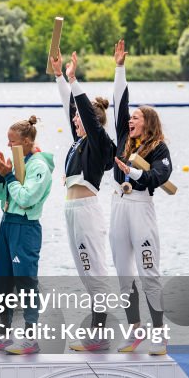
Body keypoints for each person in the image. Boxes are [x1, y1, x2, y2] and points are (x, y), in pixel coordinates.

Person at [50, 50, 117, 352]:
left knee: (96, 272)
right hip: (71, 211)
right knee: (85, 274)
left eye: (79, 116)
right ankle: (98, 331)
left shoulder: (100, 142)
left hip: (88, 212)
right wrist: (58, 77)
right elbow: (70, 108)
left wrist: (75, 80)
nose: (74, 118)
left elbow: (85, 114)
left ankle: (99, 335)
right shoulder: (78, 143)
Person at [110, 39, 173, 355]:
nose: (130, 120)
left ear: (148, 124)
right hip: (118, 207)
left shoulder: (159, 148)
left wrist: (132, 171)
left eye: (136, 118)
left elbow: (159, 177)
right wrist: (119, 68)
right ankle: (135, 330)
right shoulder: (124, 137)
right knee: (123, 275)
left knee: (149, 274)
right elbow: (119, 103)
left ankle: (159, 333)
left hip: (141, 207)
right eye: (130, 119)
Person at [0, 117, 54, 354]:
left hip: (26, 226)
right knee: (2, 278)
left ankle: (31, 337)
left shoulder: (39, 167)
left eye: (12, 141)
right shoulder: (17, 161)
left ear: (26, 141)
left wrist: (9, 177)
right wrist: (0, 175)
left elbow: (26, 199)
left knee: (26, 281)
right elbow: (0, 196)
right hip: (7, 223)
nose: (8, 144)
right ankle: (4, 334)